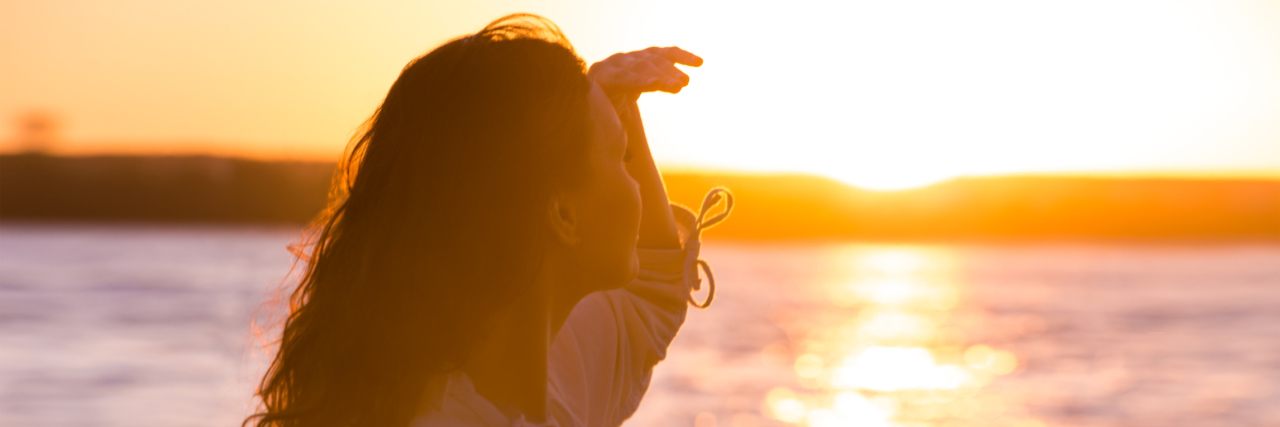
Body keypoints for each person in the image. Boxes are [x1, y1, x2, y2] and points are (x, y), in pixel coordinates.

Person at [245, 13, 732, 427]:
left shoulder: (534, 380)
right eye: (619, 156)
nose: (637, 189)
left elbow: (650, 292)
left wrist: (615, 108)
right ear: (562, 213)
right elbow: (652, 288)